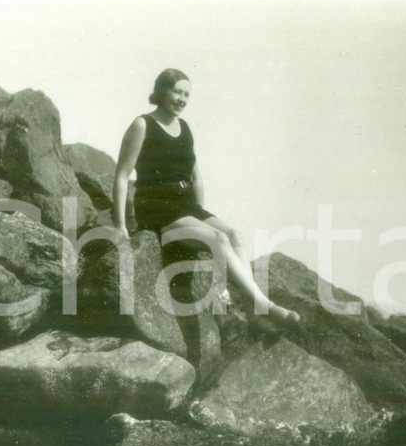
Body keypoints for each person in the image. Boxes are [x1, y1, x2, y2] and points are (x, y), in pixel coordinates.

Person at [111, 68, 301, 328]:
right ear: (162, 92)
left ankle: (253, 311)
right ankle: (262, 305)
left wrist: (201, 213)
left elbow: (195, 174)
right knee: (218, 239)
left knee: (234, 235)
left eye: (186, 94)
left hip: (186, 206)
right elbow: (122, 176)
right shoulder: (142, 125)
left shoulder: (185, 128)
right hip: (157, 208)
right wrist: (120, 225)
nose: (182, 99)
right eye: (177, 91)